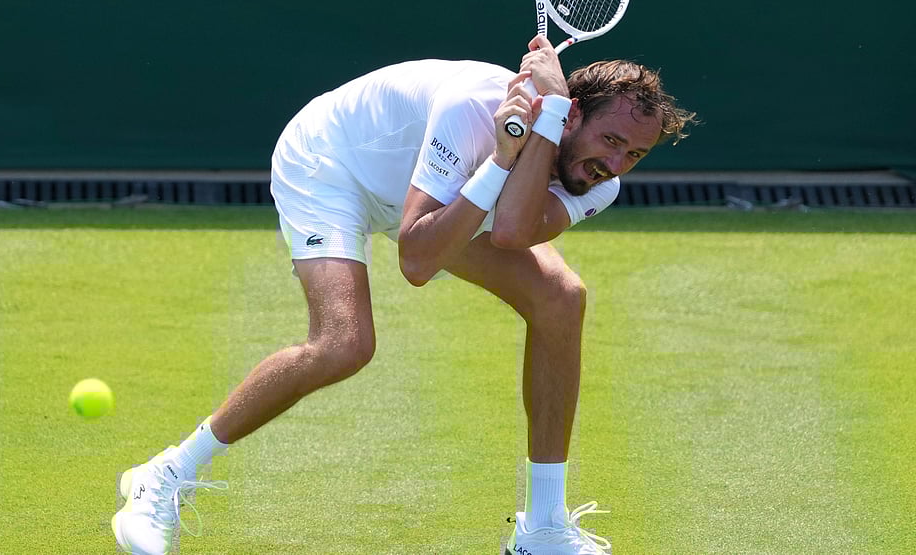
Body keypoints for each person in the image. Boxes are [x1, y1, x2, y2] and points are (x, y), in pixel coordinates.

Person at [112, 35, 697, 555]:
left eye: (635, 154)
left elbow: (515, 230)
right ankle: (163, 475)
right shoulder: (473, 107)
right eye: (612, 140)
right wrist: (501, 154)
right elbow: (417, 260)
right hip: (334, 162)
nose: (615, 164)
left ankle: (543, 527)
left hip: (449, 191)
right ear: (572, 117)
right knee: (344, 344)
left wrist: (534, 134)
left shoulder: (599, 180)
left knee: (560, 297)